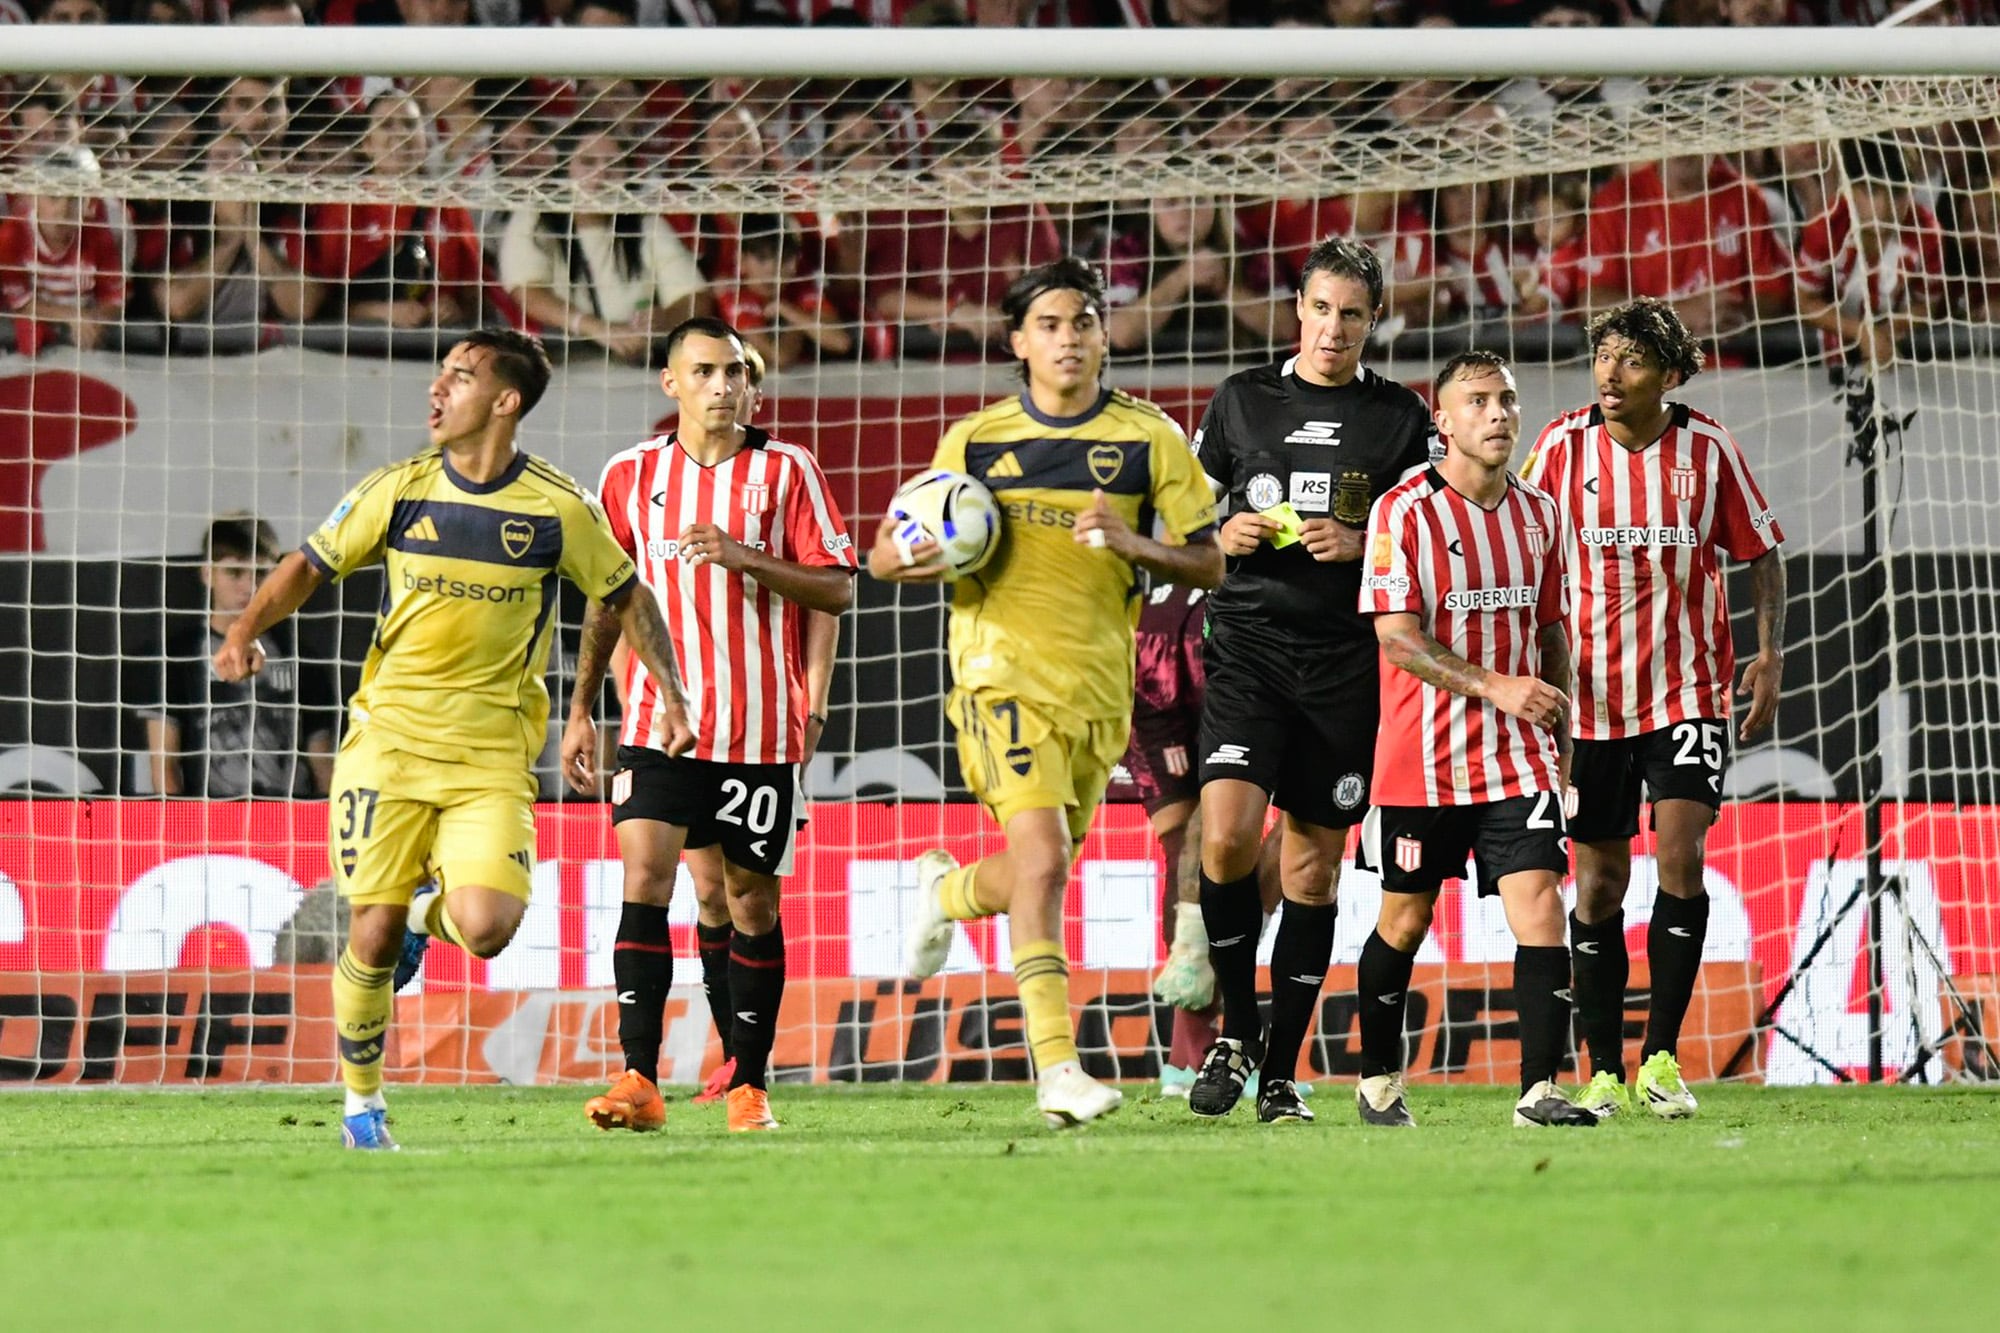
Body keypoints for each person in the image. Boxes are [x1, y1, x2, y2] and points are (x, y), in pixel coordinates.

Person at [212, 328, 694, 1151]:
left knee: (487, 927)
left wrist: (670, 697)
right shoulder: (398, 489)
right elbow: (309, 563)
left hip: (491, 757)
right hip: (388, 744)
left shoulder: (557, 506)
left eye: (460, 376)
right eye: (440, 374)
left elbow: (624, 593)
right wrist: (242, 630)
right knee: (367, 933)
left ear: (505, 401)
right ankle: (363, 1106)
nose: (438, 388)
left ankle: (417, 915)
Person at [877, 256, 1222, 1129]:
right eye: (1050, 325)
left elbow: (1211, 560)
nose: (1069, 339)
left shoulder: (1150, 439)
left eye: (1084, 322)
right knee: (1042, 862)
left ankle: (947, 893)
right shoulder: (975, 441)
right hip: (998, 675)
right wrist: (912, 557)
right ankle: (1058, 1068)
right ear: (1018, 343)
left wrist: (1136, 545)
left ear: (1105, 336)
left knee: (1040, 867)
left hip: (1100, 692)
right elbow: (884, 552)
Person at [565, 317, 857, 1135]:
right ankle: (638, 1076)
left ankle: (749, 1084)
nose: (722, 386)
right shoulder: (630, 475)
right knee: (647, 880)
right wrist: (582, 707)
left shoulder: (788, 470)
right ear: (671, 382)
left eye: (734, 372)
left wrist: (742, 555)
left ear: (751, 384)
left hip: (758, 731)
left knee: (748, 902)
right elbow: (607, 598)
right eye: (703, 372)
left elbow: (837, 588)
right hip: (657, 724)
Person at [1185, 236, 1433, 1125]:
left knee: (1312, 870)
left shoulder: (1400, 417)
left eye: (1352, 313)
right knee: (1225, 840)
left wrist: (1367, 544)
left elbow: (1432, 536)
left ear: (1375, 319)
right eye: (1321, 308)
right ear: (1298, 308)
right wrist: (1222, 538)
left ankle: (1280, 1073)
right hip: (1249, 647)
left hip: (1346, 665)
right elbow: (1185, 521)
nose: (1333, 328)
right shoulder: (1242, 400)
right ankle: (1236, 1030)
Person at [1520, 298, 1786, 1120]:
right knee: (1598, 883)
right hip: (1590, 701)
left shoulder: (1708, 449)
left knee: (1681, 854)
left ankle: (1662, 1058)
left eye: (1631, 360)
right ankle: (1603, 1068)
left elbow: (1761, 550)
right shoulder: (1560, 447)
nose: (1610, 373)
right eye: (1604, 356)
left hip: (1687, 690)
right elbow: (1519, 540)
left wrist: (1770, 652)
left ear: (1669, 375)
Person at [1355, 349, 1595, 1131]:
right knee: (1405, 919)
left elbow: (1551, 632)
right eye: (1479, 401)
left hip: (1518, 756)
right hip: (1421, 760)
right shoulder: (1402, 512)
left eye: (1508, 399)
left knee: (1541, 905)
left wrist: (1560, 745)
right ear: (1445, 421)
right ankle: (1377, 1077)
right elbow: (1397, 639)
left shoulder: (1542, 513)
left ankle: (1538, 1090)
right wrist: (1497, 686)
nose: (1498, 413)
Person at [141, 514, 338, 800]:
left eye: (260, 573)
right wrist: (181, 823)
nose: (249, 587)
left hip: (290, 814)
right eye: (234, 573)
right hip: (211, 816)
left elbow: (322, 764)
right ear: (208, 574)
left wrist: (322, 821)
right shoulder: (176, 657)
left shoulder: (300, 656)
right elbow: (164, 767)